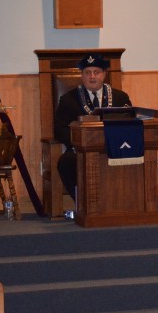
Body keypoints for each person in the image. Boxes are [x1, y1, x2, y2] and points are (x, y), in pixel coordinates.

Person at [54, 53, 132, 202]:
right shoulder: (68, 99)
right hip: (80, 149)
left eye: (96, 72)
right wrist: (78, 142)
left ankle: (122, 201)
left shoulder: (120, 97)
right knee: (65, 162)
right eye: (87, 72)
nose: (92, 77)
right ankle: (83, 203)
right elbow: (59, 128)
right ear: (81, 75)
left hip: (114, 148)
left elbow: (129, 123)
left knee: (135, 156)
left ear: (104, 74)